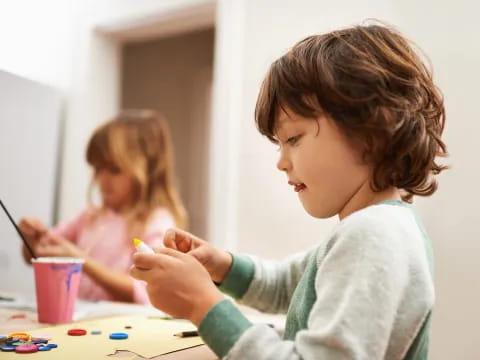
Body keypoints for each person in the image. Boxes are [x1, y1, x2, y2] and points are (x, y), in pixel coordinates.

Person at [131, 23, 448, 359]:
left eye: (293, 138)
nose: (281, 162)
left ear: (375, 127)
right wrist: (221, 266)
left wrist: (202, 304)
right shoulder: (376, 228)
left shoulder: (372, 236)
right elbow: (288, 285)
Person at [20, 109, 187, 304]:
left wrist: (81, 260)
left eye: (114, 170)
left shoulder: (157, 222)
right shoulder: (90, 217)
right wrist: (32, 240)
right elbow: (36, 255)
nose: (101, 180)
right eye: (98, 169)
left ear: (147, 171)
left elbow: (145, 292)